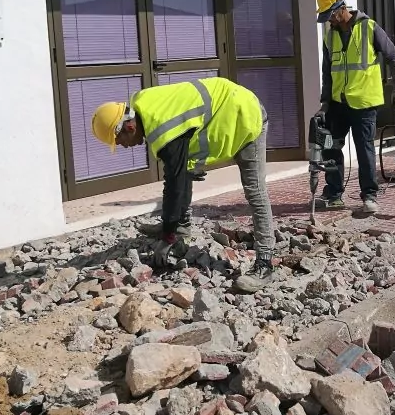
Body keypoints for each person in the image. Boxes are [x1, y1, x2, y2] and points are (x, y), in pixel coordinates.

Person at [90, 77, 275, 274]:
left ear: (129, 127)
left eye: (120, 142)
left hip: (246, 116)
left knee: (255, 191)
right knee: (181, 168)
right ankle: (181, 226)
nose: (124, 147)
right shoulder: (143, 106)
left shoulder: (164, 129)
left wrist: (166, 238)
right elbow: (177, 171)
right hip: (225, 109)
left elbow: (174, 185)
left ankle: (265, 262)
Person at [315, 0, 395, 215]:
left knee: (364, 150)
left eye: (330, 16)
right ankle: (334, 194)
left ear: (340, 9)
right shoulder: (330, 37)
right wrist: (325, 102)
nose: (329, 21)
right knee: (330, 146)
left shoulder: (369, 28)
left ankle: (369, 196)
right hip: (337, 104)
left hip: (364, 104)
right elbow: (327, 71)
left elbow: (394, 58)